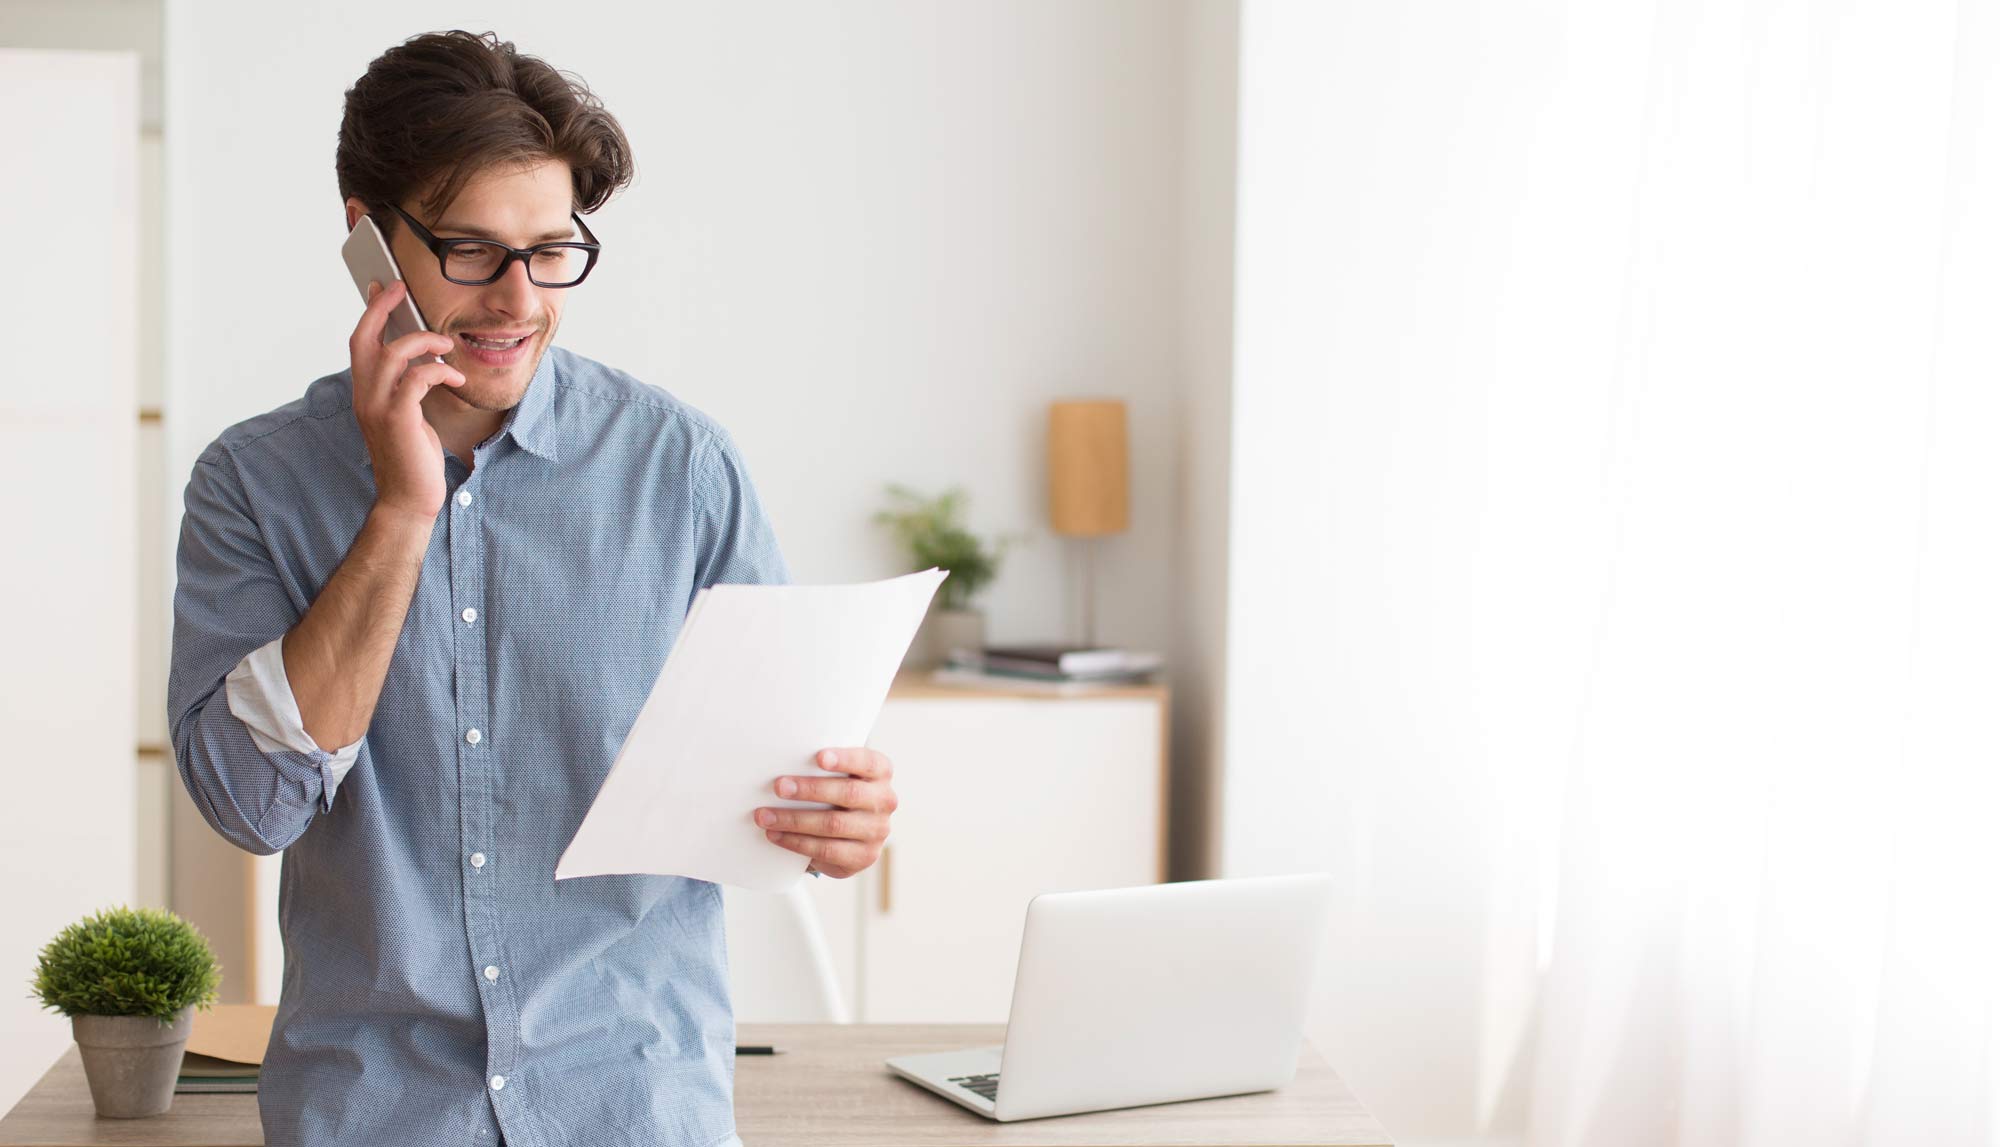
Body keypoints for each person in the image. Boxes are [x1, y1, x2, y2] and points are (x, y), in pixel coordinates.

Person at [166, 29, 896, 1147]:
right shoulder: (253, 484)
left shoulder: (681, 469)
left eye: (550, 251)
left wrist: (835, 820)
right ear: (367, 240)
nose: (518, 300)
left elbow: (782, 782)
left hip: (636, 1105)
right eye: (470, 250)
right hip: (373, 1116)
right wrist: (401, 511)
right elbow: (250, 807)